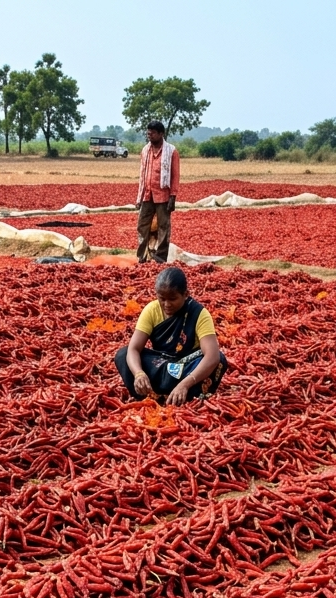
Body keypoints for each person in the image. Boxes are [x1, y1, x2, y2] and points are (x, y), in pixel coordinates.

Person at [115, 267, 228, 406]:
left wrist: (185, 384)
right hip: (161, 364)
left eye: (173, 299)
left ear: (185, 294)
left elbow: (212, 356)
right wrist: (139, 373)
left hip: (186, 367)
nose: (167, 304)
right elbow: (134, 348)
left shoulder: (199, 314)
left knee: (219, 360)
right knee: (123, 354)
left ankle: (182, 393)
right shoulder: (151, 310)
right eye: (162, 299)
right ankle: (152, 395)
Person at [136, 120, 180, 263]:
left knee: (163, 227)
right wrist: (139, 197)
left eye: (153, 133)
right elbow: (142, 174)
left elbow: (175, 175)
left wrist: (173, 196)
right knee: (142, 225)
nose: (150, 136)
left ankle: (160, 258)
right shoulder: (145, 150)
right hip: (147, 193)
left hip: (163, 195)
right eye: (148, 133)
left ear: (161, 134)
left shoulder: (171, 151)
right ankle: (142, 256)